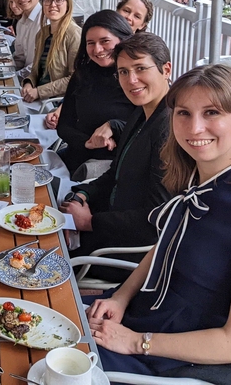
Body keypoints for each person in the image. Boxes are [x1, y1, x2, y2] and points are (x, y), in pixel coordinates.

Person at [87, 64, 231, 384]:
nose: (195, 127)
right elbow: (167, 244)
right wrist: (121, 297)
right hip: (143, 319)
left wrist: (136, 341)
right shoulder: (202, 182)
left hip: (175, 362)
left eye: (212, 112)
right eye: (183, 113)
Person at [61, 33, 172, 277]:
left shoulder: (169, 129)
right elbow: (115, 174)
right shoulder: (142, 113)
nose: (131, 80)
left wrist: (89, 223)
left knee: (44, 252)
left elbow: (155, 218)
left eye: (141, 68)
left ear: (166, 69)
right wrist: (82, 194)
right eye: (123, 72)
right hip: (108, 222)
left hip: (129, 252)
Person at [56, 11, 135, 178]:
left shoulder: (135, 80)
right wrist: (89, 143)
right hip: (75, 158)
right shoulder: (83, 74)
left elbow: (147, 128)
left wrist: (114, 126)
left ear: (122, 39)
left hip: (110, 170)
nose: (97, 49)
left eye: (105, 41)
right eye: (90, 43)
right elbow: (63, 126)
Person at [21, 0, 81, 101]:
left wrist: (39, 91)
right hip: (38, 100)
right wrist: (28, 83)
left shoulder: (74, 34)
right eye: (48, 1)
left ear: (68, 4)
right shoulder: (42, 34)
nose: (53, 5)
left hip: (58, 103)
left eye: (58, 0)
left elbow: (75, 78)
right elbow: (35, 71)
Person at [10, 0, 44, 73]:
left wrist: (15, 77)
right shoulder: (21, 22)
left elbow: (40, 65)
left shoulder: (44, 21)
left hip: (38, 82)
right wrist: (5, 71)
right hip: (24, 75)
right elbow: (19, 57)